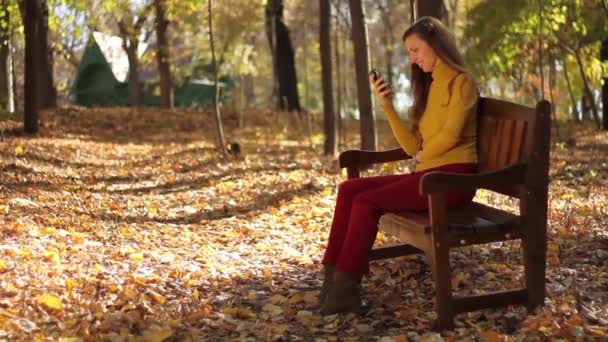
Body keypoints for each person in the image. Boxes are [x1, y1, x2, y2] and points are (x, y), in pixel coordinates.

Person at [319, 16, 479, 315]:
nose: (412, 58)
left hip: (453, 181)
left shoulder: (462, 82)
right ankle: (331, 283)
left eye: (416, 49)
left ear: (435, 43)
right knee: (349, 189)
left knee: (367, 201)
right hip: (428, 176)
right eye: (409, 52)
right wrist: (387, 105)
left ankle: (345, 289)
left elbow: (451, 135)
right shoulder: (430, 87)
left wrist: (422, 157)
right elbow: (410, 147)